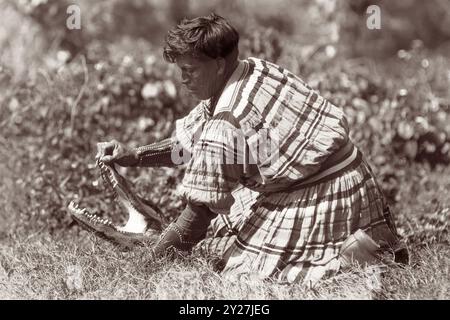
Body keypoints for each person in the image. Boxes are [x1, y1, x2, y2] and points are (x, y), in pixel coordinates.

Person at [96, 13, 402, 285]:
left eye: (189, 70)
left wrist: (147, 265)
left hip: (328, 194)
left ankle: (350, 251)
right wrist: (134, 156)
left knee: (243, 271)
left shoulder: (227, 117)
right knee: (231, 215)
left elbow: (198, 215)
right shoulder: (252, 70)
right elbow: (188, 146)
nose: (182, 79)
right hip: (356, 175)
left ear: (217, 66)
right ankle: (364, 240)